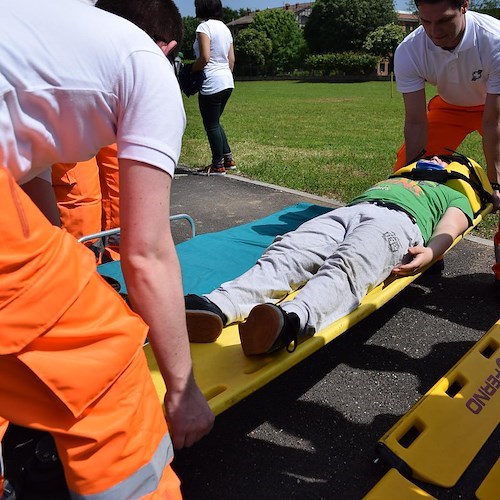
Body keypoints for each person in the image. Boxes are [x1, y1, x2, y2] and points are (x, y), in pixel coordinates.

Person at [0, 0, 214, 498]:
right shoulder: (147, 67)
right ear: (170, 47)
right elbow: (147, 252)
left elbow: (27, 177)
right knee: (104, 368)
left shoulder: (39, 34)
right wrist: (182, 392)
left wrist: (70, 276)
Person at [184, 156, 474, 356]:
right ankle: (217, 305)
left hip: (400, 222)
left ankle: (291, 322)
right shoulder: (395, 179)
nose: (434, 160)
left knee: (350, 265)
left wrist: (432, 252)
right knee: (288, 252)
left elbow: (452, 227)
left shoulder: (452, 194)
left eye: (441, 161)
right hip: (349, 212)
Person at [392, 0, 500, 285]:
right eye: (425, 22)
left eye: (443, 21)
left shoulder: (494, 40)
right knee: (406, 176)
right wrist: (416, 172)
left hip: (494, 106)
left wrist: (496, 181)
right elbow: (415, 122)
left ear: (464, 6)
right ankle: (423, 252)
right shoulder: (410, 50)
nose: (434, 31)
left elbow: (493, 122)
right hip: (450, 107)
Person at [192, 0, 236, 176]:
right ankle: (228, 159)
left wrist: (190, 70)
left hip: (212, 81)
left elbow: (204, 58)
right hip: (227, 80)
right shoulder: (225, 28)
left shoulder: (204, 28)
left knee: (210, 124)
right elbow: (231, 59)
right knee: (215, 122)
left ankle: (218, 165)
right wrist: (225, 75)